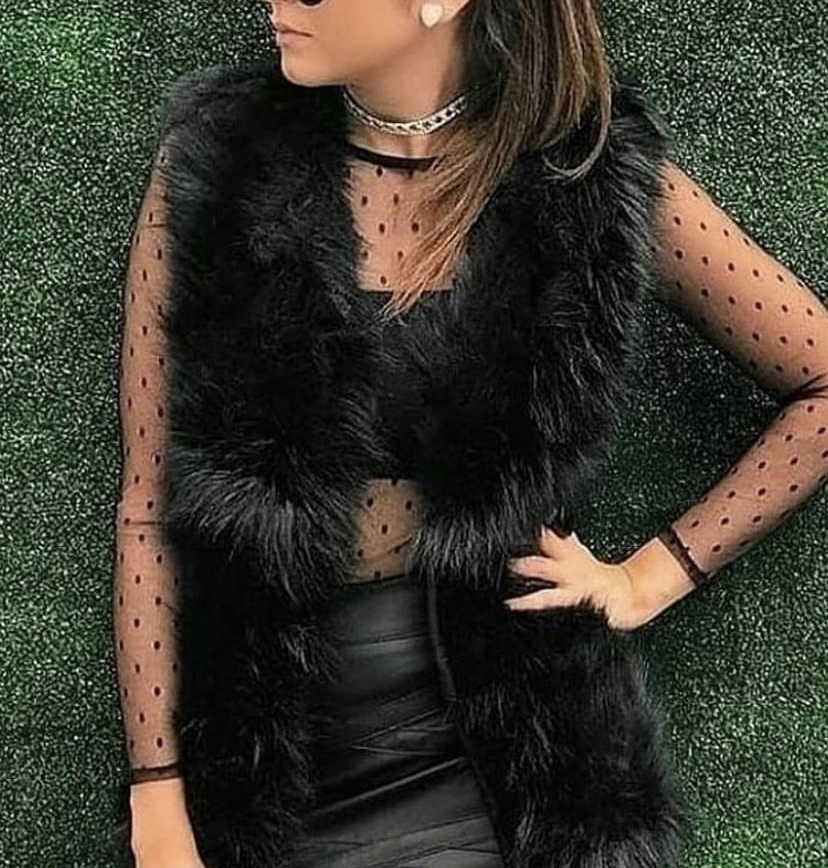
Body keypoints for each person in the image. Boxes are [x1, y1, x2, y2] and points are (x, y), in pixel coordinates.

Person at [113, 1, 828, 866]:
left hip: (502, 767)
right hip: (267, 760)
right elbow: (149, 508)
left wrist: (650, 576)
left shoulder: (588, 177)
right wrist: (157, 798)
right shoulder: (219, 163)